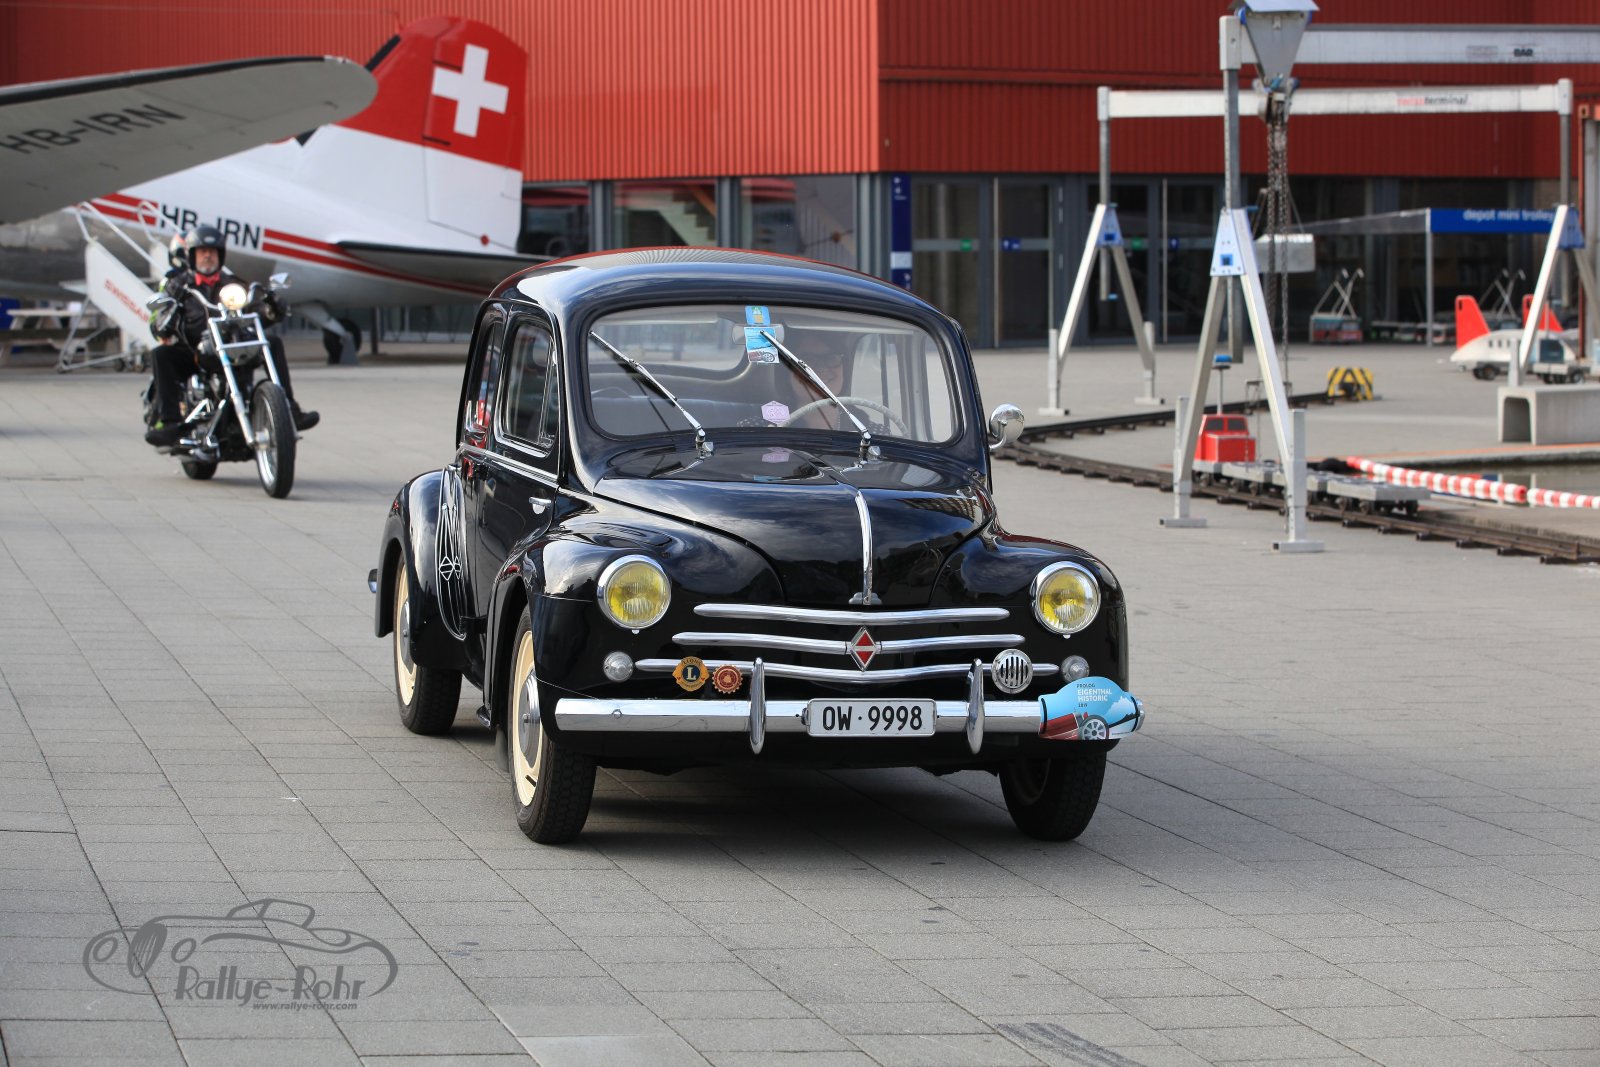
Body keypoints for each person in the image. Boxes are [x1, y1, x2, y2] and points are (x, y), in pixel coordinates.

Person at [143, 225, 318, 446]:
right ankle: (170, 423)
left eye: (212, 251)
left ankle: (289, 409)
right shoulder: (178, 286)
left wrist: (272, 309)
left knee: (272, 343)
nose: (208, 256)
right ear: (192, 256)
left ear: (221, 255)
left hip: (232, 347)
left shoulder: (234, 284)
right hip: (197, 352)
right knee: (161, 354)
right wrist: (169, 314)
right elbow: (158, 325)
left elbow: (256, 313)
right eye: (202, 251)